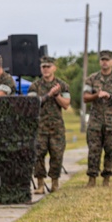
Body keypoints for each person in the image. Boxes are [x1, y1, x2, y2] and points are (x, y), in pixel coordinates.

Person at [83, 50, 112, 187]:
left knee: (110, 150)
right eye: (102, 59)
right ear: (100, 62)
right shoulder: (92, 78)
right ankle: (92, 178)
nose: (105, 62)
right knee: (93, 150)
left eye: (107, 60)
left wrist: (110, 96)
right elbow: (85, 97)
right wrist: (97, 95)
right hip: (95, 121)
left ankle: (107, 178)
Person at [27, 57, 71, 194]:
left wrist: (56, 95)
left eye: (48, 66)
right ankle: (40, 184)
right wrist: (49, 94)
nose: (46, 69)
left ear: (54, 68)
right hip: (40, 126)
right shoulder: (35, 86)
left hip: (56, 127)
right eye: (43, 67)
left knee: (57, 155)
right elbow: (32, 105)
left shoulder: (62, 85)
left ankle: (55, 183)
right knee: (38, 155)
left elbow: (66, 104)